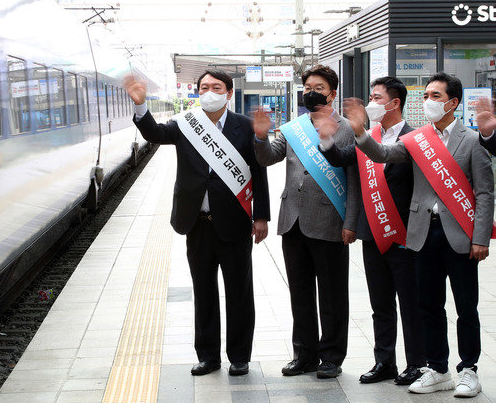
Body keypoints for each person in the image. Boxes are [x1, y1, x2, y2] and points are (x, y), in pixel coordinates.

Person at [348, 72, 493, 397]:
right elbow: (383, 155)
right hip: (422, 234)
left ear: (453, 103)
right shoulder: (417, 140)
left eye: (436, 96)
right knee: (429, 304)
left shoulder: (471, 141)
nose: (428, 101)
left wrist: (481, 237)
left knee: (465, 307)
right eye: (426, 95)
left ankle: (468, 370)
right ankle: (437, 368)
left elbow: (485, 192)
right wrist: (359, 133)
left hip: (460, 235)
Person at [123, 70, 270, 377]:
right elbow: (155, 134)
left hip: (235, 222)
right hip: (197, 223)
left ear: (229, 93)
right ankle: (207, 356)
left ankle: (239, 356)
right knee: (203, 292)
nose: (209, 91)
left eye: (216, 87)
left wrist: (261, 216)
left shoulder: (245, 126)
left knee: (239, 294)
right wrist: (140, 106)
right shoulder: (185, 123)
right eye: (204, 87)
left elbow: (259, 172)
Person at [316, 76, 426, 386]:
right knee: (380, 302)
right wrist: (326, 139)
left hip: (404, 234)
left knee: (410, 302)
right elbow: (344, 159)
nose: (370, 103)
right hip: (373, 232)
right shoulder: (368, 135)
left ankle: (417, 362)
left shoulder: (415, 138)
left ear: (395, 103)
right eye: (370, 97)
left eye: (376, 98)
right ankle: (384, 361)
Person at [253, 65, 359, 379]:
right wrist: (260, 137)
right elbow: (267, 157)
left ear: (333, 93)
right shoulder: (294, 127)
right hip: (293, 220)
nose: (311, 92)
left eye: (319, 87)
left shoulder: (347, 128)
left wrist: (351, 221)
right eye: (308, 86)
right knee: (299, 293)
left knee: (332, 294)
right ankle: (305, 354)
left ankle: (331, 357)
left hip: (331, 219)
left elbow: (354, 180)